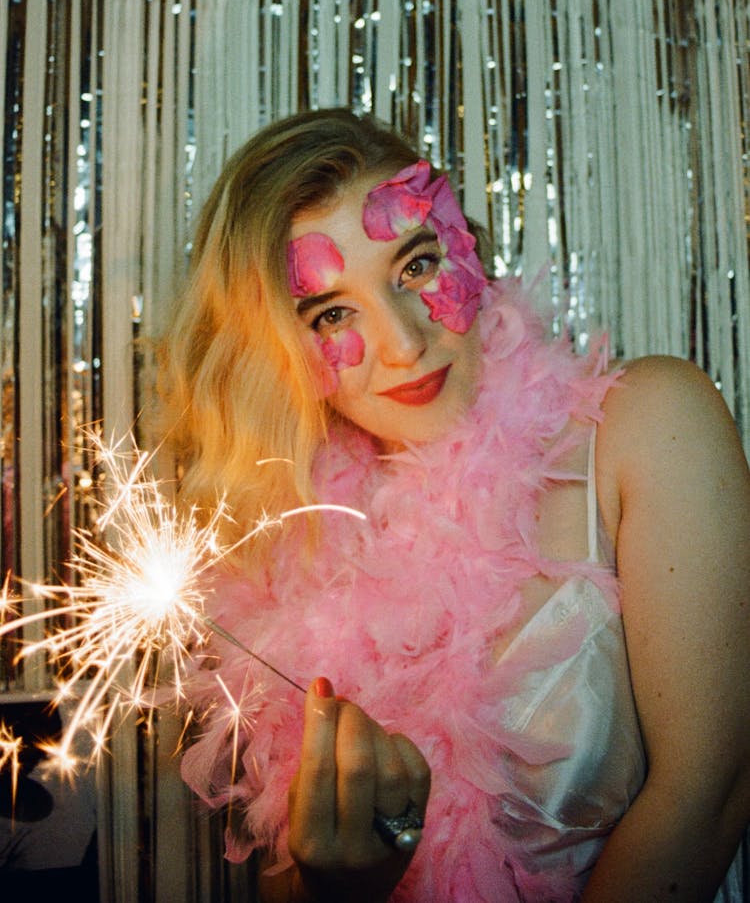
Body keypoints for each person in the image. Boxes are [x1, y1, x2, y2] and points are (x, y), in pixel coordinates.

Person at [160, 108, 750, 902]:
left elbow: (707, 797)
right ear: (276, 354)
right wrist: (341, 885)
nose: (404, 342)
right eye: (332, 314)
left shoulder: (648, 425)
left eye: (416, 264)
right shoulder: (295, 564)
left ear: (466, 244)